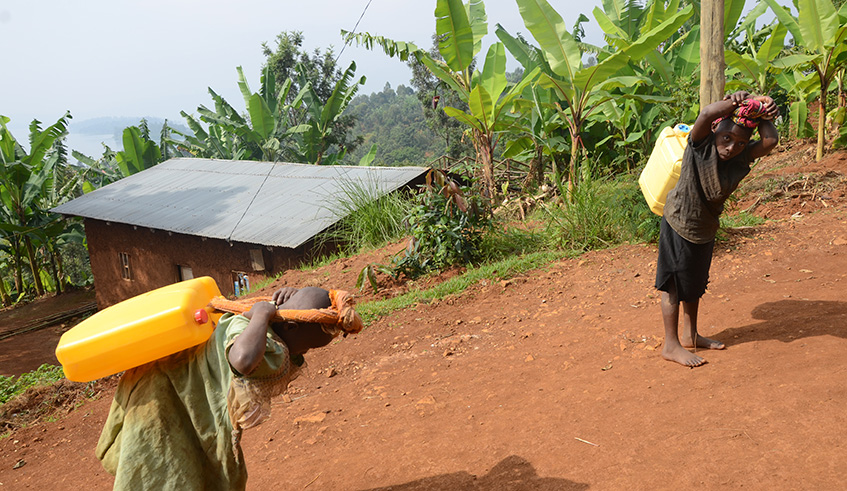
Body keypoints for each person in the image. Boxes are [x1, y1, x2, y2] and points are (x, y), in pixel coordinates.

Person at [96, 286, 353, 490]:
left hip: (172, 386)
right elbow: (242, 360)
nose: (303, 353)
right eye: (306, 347)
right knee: (166, 472)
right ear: (289, 326)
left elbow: (285, 322)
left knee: (205, 470)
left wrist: (284, 303)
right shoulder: (260, 340)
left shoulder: (257, 323)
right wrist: (265, 313)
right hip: (163, 401)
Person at [657, 91, 779, 367]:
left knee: (695, 282)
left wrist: (762, 110)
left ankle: (690, 335)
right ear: (715, 132)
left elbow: (770, 140)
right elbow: (706, 114)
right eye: (726, 138)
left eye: (740, 143)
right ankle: (671, 344)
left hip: (705, 228)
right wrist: (741, 101)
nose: (731, 147)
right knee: (673, 286)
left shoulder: (741, 157)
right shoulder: (700, 145)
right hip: (679, 221)